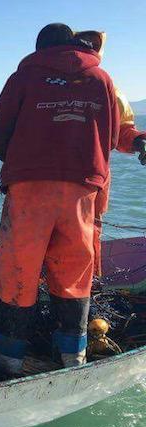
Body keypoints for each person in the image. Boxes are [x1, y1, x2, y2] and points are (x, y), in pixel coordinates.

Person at [0, 23, 120, 373]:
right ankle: (73, 356)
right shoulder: (102, 79)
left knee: (16, 267)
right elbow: (112, 136)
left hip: (30, 189)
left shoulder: (24, 76)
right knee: (73, 270)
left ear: (39, 48)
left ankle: (1, 359)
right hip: (82, 190)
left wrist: (16, 160)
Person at [74, 30, 146, 275]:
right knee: (83, 233)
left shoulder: (107, 86)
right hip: (84, 177)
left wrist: (139, 142)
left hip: (90, 177)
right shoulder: (107, 85)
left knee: (89, 232)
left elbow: (124, 130)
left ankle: (88, 287)